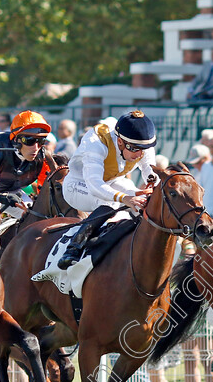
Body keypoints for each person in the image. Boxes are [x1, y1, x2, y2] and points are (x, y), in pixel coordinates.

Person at [57, 110, 158, 269]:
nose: (139, 154)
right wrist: (125, 198)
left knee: (142, 200)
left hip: (112, 182)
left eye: (142, 149)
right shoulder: (96, 141)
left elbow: (149, 169)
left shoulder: (140, 142)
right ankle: (74, 247)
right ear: (120, 142)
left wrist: (153, 183)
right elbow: (95, 185)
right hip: (78, 185)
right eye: (134, 149)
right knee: (109, 202)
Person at [0, 111, 56, 219]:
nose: (36, 148)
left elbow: (43, 191)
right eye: (29, 140)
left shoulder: (41, 158)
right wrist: (0, 197)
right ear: (16, 140)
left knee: (36, 217)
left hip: (14, 193)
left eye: (40, 141)